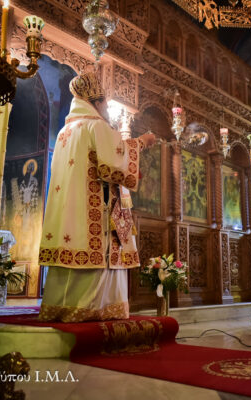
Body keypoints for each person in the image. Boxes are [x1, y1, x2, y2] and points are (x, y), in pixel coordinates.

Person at [38, 71, 156, 322]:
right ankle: (94, 310)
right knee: (97, 253)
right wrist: (141, 143)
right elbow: (111, 165)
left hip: (68, 212)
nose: (106, 109)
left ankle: (59, 308)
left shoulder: (64, 132)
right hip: (93, 214)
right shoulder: (96, 126)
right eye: (104, 103)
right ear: (97, 102)